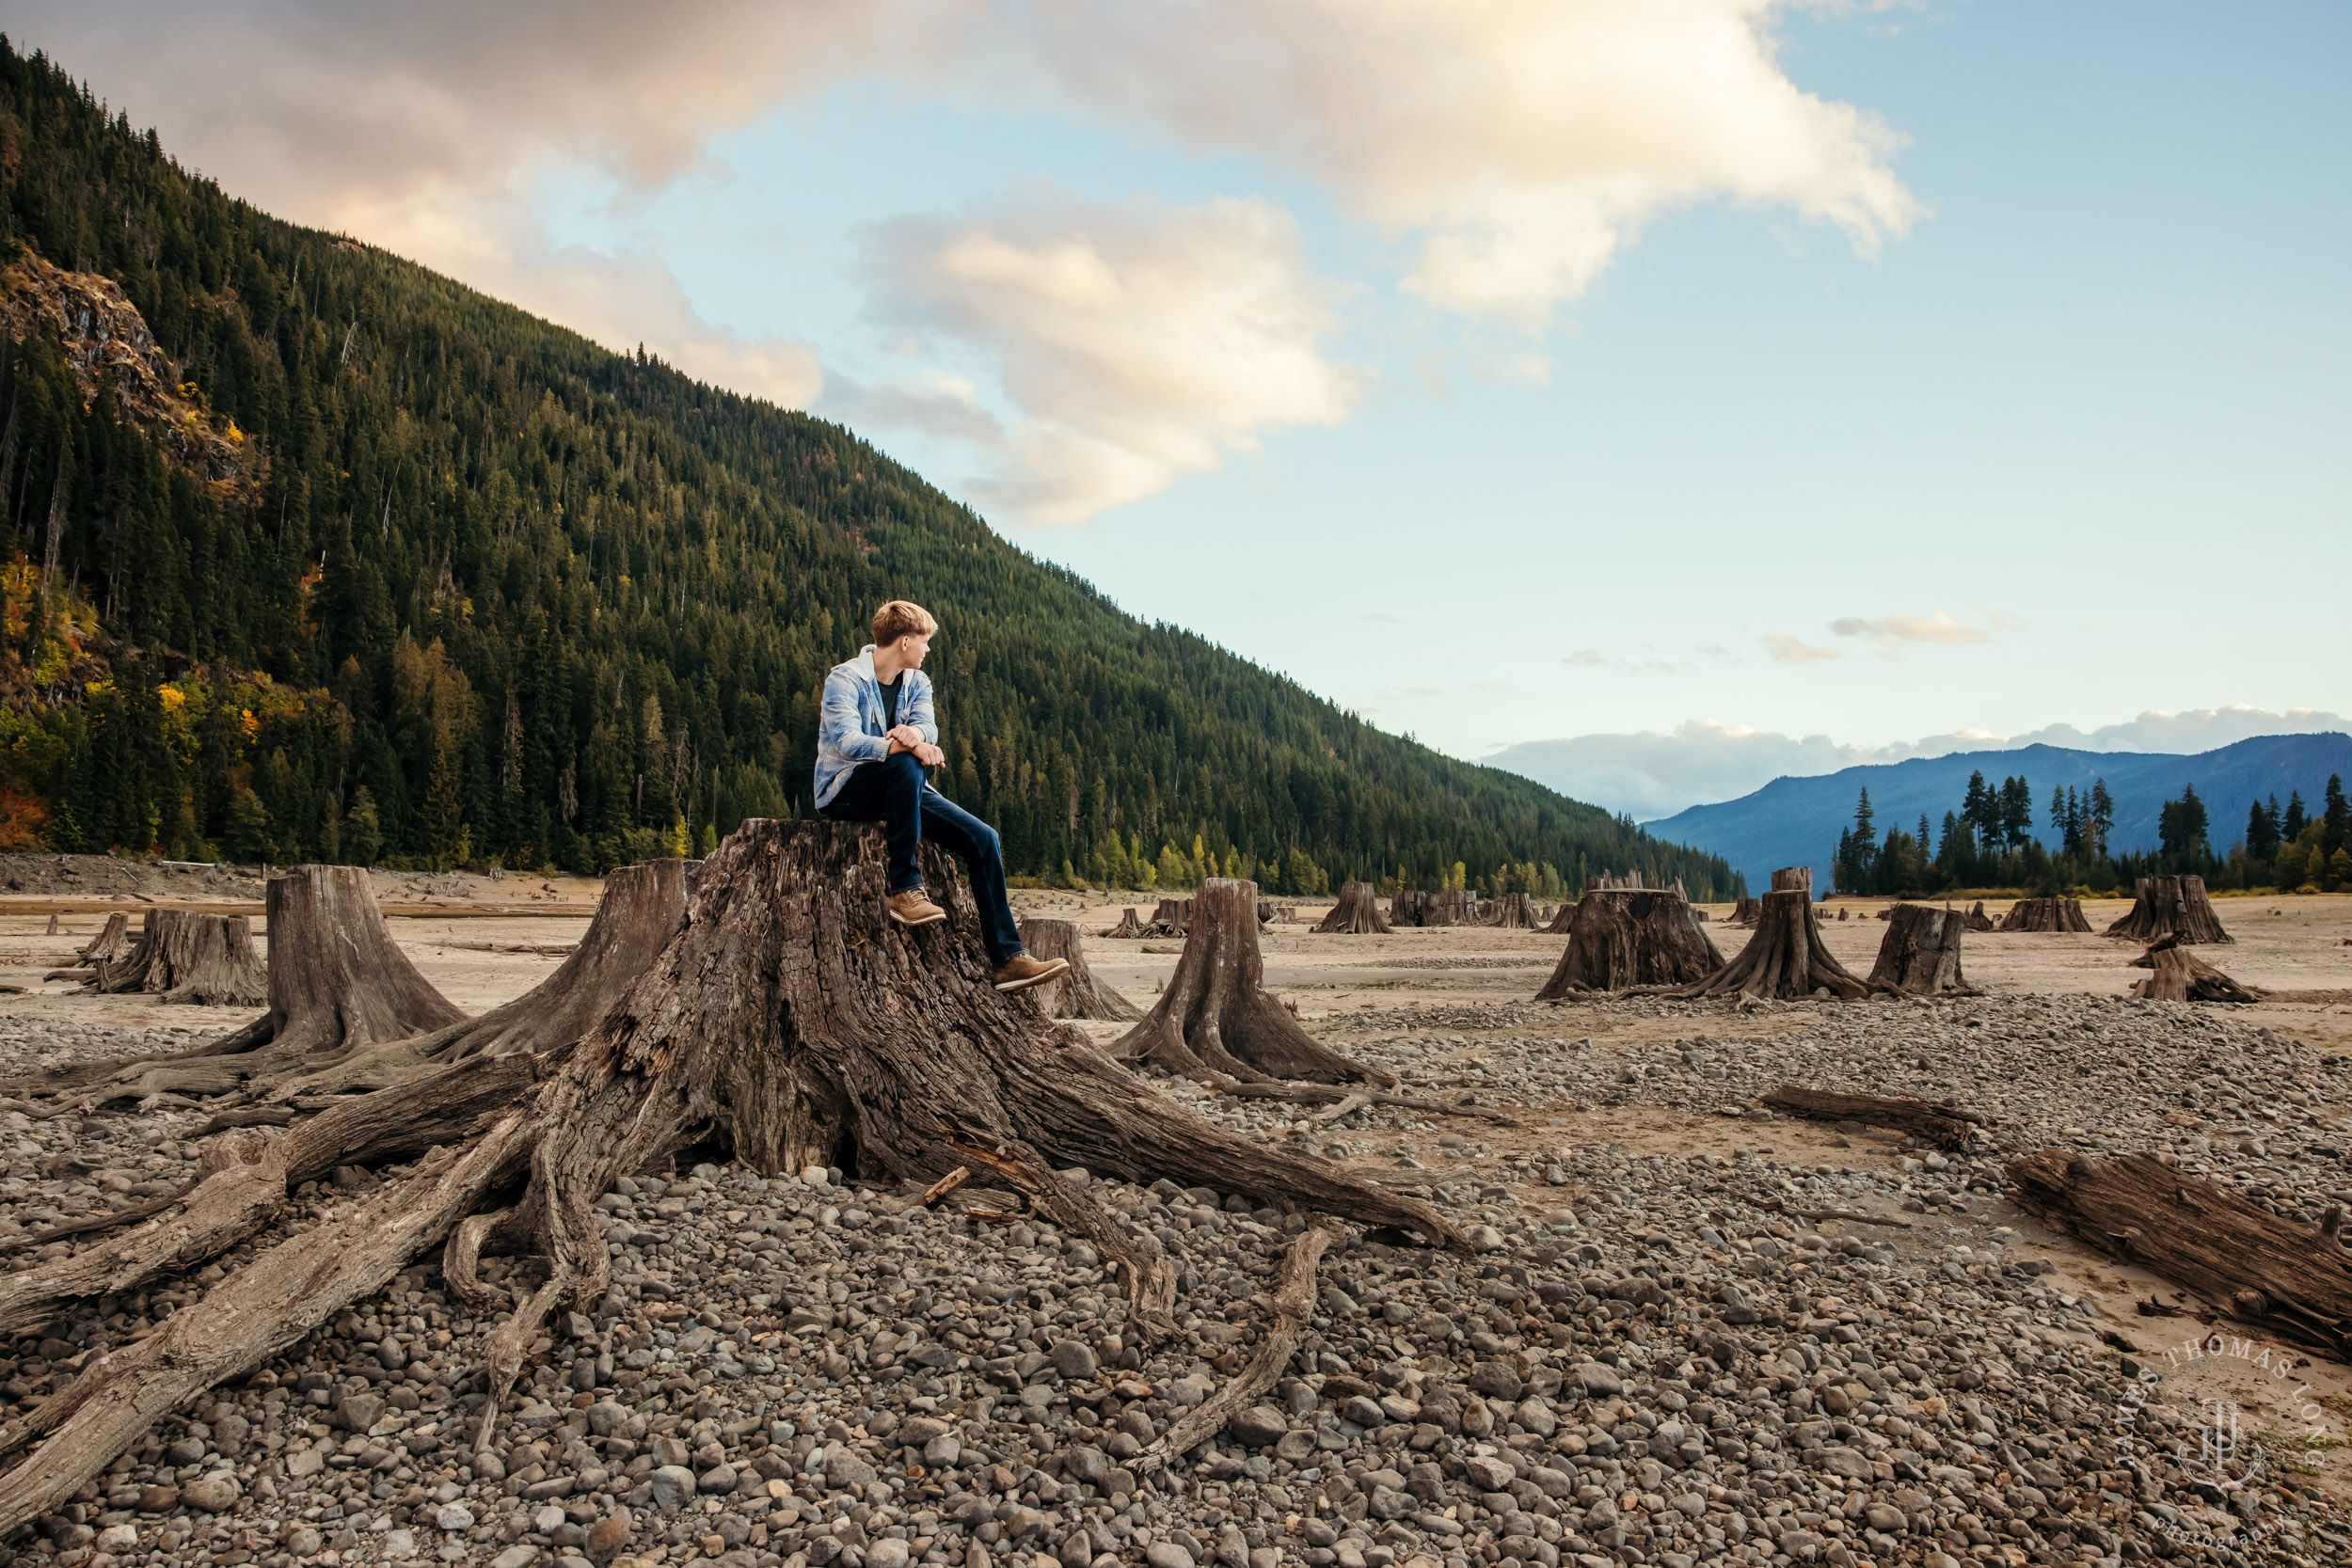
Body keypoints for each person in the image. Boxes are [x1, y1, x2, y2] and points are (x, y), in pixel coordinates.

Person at [815, 600, 1069, 994]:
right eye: (924, 641)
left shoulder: (918, 682)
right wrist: (905, 745)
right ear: (903, 642)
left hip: (903, 785)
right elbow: (847, 743)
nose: (928, 649)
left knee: (984, 839)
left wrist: (913, 738)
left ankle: (1008, 959)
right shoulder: (845, 680)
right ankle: (904, 889)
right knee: (907, 765)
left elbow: (928, 728)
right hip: (846, 790)